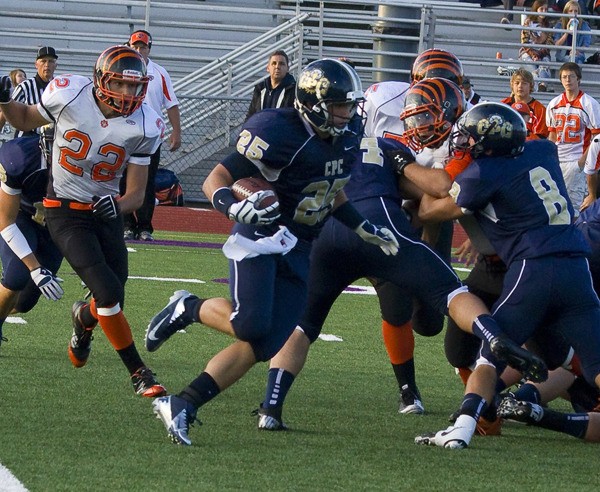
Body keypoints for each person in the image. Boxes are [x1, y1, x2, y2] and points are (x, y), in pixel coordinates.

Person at [252, 78, 545, 431]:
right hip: (379, 230)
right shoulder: (385, 146)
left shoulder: (318, 148)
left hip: (327, 236)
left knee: (303, 325)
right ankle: (491, 335)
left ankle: (271, 407)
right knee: (452, 292)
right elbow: (433, 187)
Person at [147, 59, 401, 446]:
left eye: (349, 105)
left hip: (303, 247)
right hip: (262, 236)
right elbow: (220, 177)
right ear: (314, 105)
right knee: (250, 325)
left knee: (264, 344)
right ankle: (189, 308)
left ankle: (184, 403)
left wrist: (364, 227)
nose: (347, 114)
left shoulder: (347, 137)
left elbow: (330, 192)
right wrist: (230, 206)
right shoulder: (278, 131)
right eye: (339, 106)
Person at [414, 102, 600, 450]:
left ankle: (464, 427)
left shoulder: (483, 174)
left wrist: (417, 169)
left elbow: (428, 209)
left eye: (470, 139)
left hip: (533, 266)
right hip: (576, 266)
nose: (464, 143)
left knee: (490, 353)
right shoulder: (543, 149)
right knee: (595, 359)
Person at [0, 45, 167, 397]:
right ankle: (139, 373)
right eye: (120, 85)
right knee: (107, 292)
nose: (127, 94)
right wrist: (3, 102)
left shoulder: (148, 122)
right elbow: (26, 119)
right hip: (62, 208)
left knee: (113, 291)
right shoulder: (69, 92)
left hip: (103, 211)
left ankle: (83, 319)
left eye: (134, 87)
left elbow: (136, 194)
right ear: (101, 80)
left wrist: (118, 206)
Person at [356, 48, 466, 414]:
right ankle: (409, 391)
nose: (439, 91)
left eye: (449, 85)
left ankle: (481, 386)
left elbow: (456, 185)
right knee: (395, 304)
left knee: (431, 320)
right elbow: (357, 147)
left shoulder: (465, 114)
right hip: (387, 206)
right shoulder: (380, 99)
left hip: (433, 208)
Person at [0, 133, 63, 350]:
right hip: (21, 216)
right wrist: (35, 269)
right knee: (16, 277)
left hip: (57, 227)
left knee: (25, 303)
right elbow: (5, 220)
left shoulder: (92, 161)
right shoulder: (19, 156)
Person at [121, 30, 181, 242]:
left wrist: (176, 131)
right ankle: (127, 224)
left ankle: (144, 226)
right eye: (135, 46)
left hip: (150, 135)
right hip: (124, 132)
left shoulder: (159, 72)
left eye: (142, 47)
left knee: (147, 181)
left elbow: (171, 103)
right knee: (123, 180)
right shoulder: (120, 67)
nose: (138, 50)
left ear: (149, 49)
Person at [546, 62, 600, 214]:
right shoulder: (554, 104)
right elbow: (553, 134)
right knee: (555, 204)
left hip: (576, 159)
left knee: (574, 207)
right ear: (561, 80)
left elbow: (596, 138)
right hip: (557, 160)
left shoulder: (589, 104)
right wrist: (551, 157)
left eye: (571, 76)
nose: (568, 80)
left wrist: (581, 163)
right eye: (564, 77)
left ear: (579, 79)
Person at [0, 47, 58, 137]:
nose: (47, 65)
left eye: (51, 61)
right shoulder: (24, 87)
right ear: (36, 65)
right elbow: (7, 111)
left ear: (55, 65)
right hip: (27, 139)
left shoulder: (59, 89)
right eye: (43, 61)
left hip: (52, 140)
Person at [245, 49, 296, 121]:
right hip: (260, 131)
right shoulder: (260, 89)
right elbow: (251, 115)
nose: (277, 67)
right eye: (274, 63)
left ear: (287, 68)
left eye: (281, 64)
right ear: (268, 68)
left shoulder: (294, 90)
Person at [500, 68, 549, 139]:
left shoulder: (540, 110)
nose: (520, 86)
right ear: (512, 85)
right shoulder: (503, 105)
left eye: (524, 83)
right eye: (517, 83)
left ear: (531, 86)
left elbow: (540, 139)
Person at [519, 0, 554, 91]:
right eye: (541, 9)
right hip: (528, 52)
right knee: (532, 66)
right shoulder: (528, 22)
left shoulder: (548, 25)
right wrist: (533, 54)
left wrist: (539, 54)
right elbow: (524, 41)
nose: (544, 11)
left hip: (543, 53)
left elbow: (550, 43)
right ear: (536, 9)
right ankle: (541, 84)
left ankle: (542, 85)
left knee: (544, 64)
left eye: (546, 9)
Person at [553, 0, 592, 64]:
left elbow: (586, 44)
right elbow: (556, 45)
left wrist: (577, 51)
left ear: (579, 13)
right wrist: (567, 32)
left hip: (578, 56)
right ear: (566, 12)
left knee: (576, 60)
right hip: (562, 56)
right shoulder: (559, 25)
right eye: (570, 11)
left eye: (576, 11)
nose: (573, 13)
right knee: (572, 61)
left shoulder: (584, 25)